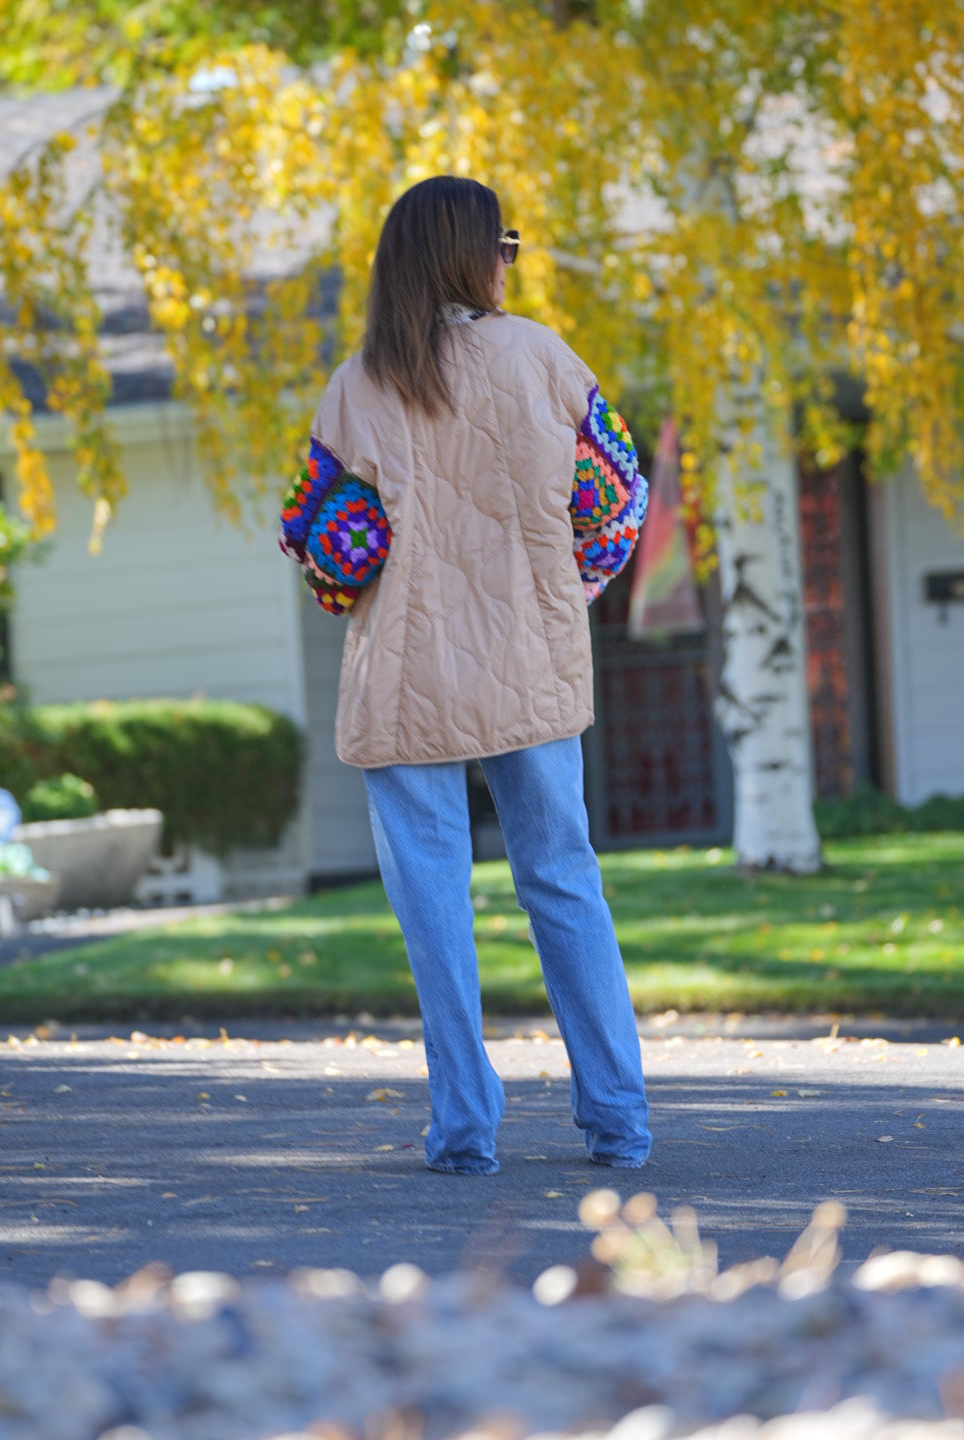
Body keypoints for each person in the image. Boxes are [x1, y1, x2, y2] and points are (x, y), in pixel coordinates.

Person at [305, 175, 651, 1175]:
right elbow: (618, 503)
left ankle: (464, 1131)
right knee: (563, 882)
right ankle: (618, 1122)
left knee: (434, 909)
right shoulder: (543, 358)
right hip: (527, 665)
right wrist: (557, 589)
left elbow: (329, 558)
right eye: (505, 243)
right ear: (469, 255)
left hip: (402, 681)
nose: (512, 260)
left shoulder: (356, 384)